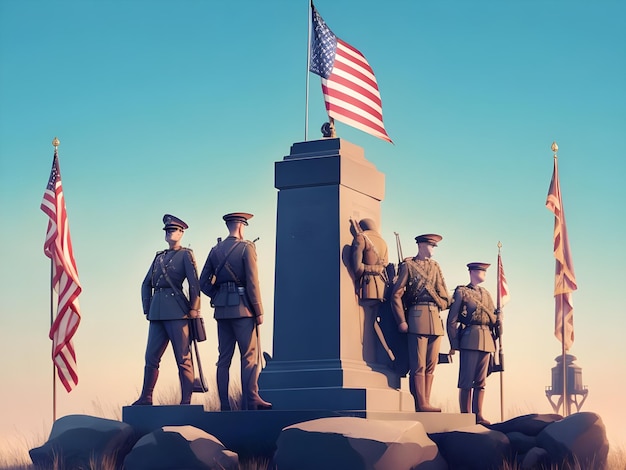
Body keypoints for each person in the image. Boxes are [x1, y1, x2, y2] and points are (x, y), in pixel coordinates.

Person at [199, 212, 272, 411]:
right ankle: (252, 400)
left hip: (222, 310)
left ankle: (224, 404)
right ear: (241, 226)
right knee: (248, 357)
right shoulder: (247, 248)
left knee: (223, 359)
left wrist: (219, 295)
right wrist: (258, 310)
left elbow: (202, 282)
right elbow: (252, 282)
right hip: (243, 309)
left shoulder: (215, 250)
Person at [133, 214, 201, 406]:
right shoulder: (159, 257)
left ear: (181, 233)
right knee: (151, 357)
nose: (169, 233)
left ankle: (186, 400)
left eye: (173, 230)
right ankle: (146, 397)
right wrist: (147, 308)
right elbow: (146, 283)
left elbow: (194, 283)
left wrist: (194, 307)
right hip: (157, 312)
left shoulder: (185, 255)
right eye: (167, 230)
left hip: (178, 311)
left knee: (183, 357)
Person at [390, 233, 450, 412]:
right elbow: (396, 294)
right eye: (431, 246)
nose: (433, 249)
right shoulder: (408, 266)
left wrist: (441, 302)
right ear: (421, 246)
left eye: (434, 246)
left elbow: (445, 296)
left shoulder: (435, 267)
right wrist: (401, 320)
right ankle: (420, 403)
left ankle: (427, 402)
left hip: (434, 319)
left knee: (431, 365)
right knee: (418, 365)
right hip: (416, 317)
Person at [447, 262, 500, 425]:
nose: (484, 274)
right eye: (481, 271)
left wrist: (498, 319)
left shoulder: (487, 294)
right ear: (472, 272)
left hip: (487, 339)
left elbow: (493, 320)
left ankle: (478, 414)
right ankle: (466, 415)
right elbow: (452, 319)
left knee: (481, 381)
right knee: (466, 380)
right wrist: (454, 342)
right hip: (470, 338)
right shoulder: (462, 292)